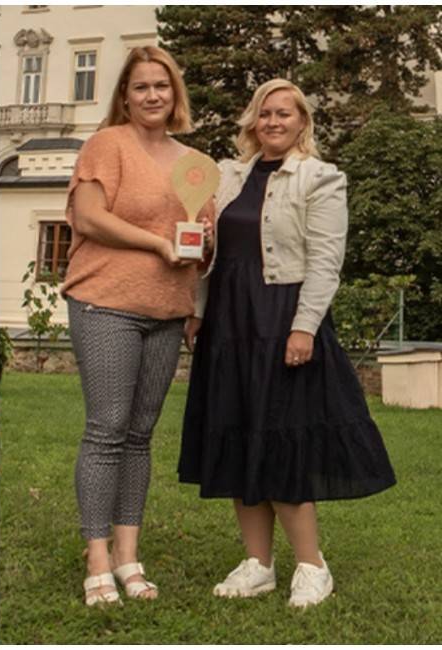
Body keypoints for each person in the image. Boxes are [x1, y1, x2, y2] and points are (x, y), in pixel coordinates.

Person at [179, 79, 396, 608]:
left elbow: (326, 261)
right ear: (253, 121)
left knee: (280, 438)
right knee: (234, 433)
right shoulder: (225, 176)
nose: (273, 122)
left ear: (302, 123)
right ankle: (257, 564)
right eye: (264, 114)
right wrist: (197, 310)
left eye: (284, 114)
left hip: (282, 317)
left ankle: (311, 565)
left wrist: (304, 327)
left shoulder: (321, 178)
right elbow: (209, 251)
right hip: (229, 321)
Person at [62, 45, 211, 607]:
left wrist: (204, 246)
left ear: (176, 95)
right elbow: (89, 216)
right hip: (106, 301)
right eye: (142, 86)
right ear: (125, 94)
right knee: (107, 427)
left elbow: (202, 240)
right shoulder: (108, 145)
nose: (153, 95)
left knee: (140, 436)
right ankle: (96, 556)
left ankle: (128, 554)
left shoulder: (195, 164)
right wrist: (157, 241)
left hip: (166, 310)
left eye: (162, 86)